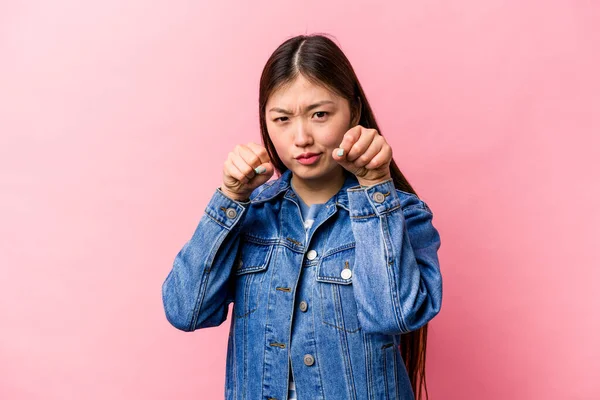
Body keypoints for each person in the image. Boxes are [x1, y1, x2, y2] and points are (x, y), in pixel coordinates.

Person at [162, 33, 443, 400]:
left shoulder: (401, 213)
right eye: (282, 119)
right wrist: (230, 198)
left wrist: (375, 187)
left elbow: (394, 315)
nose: (301, 138)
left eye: (320, 114)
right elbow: (186, 311)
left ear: (354, 112)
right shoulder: (252, 213)